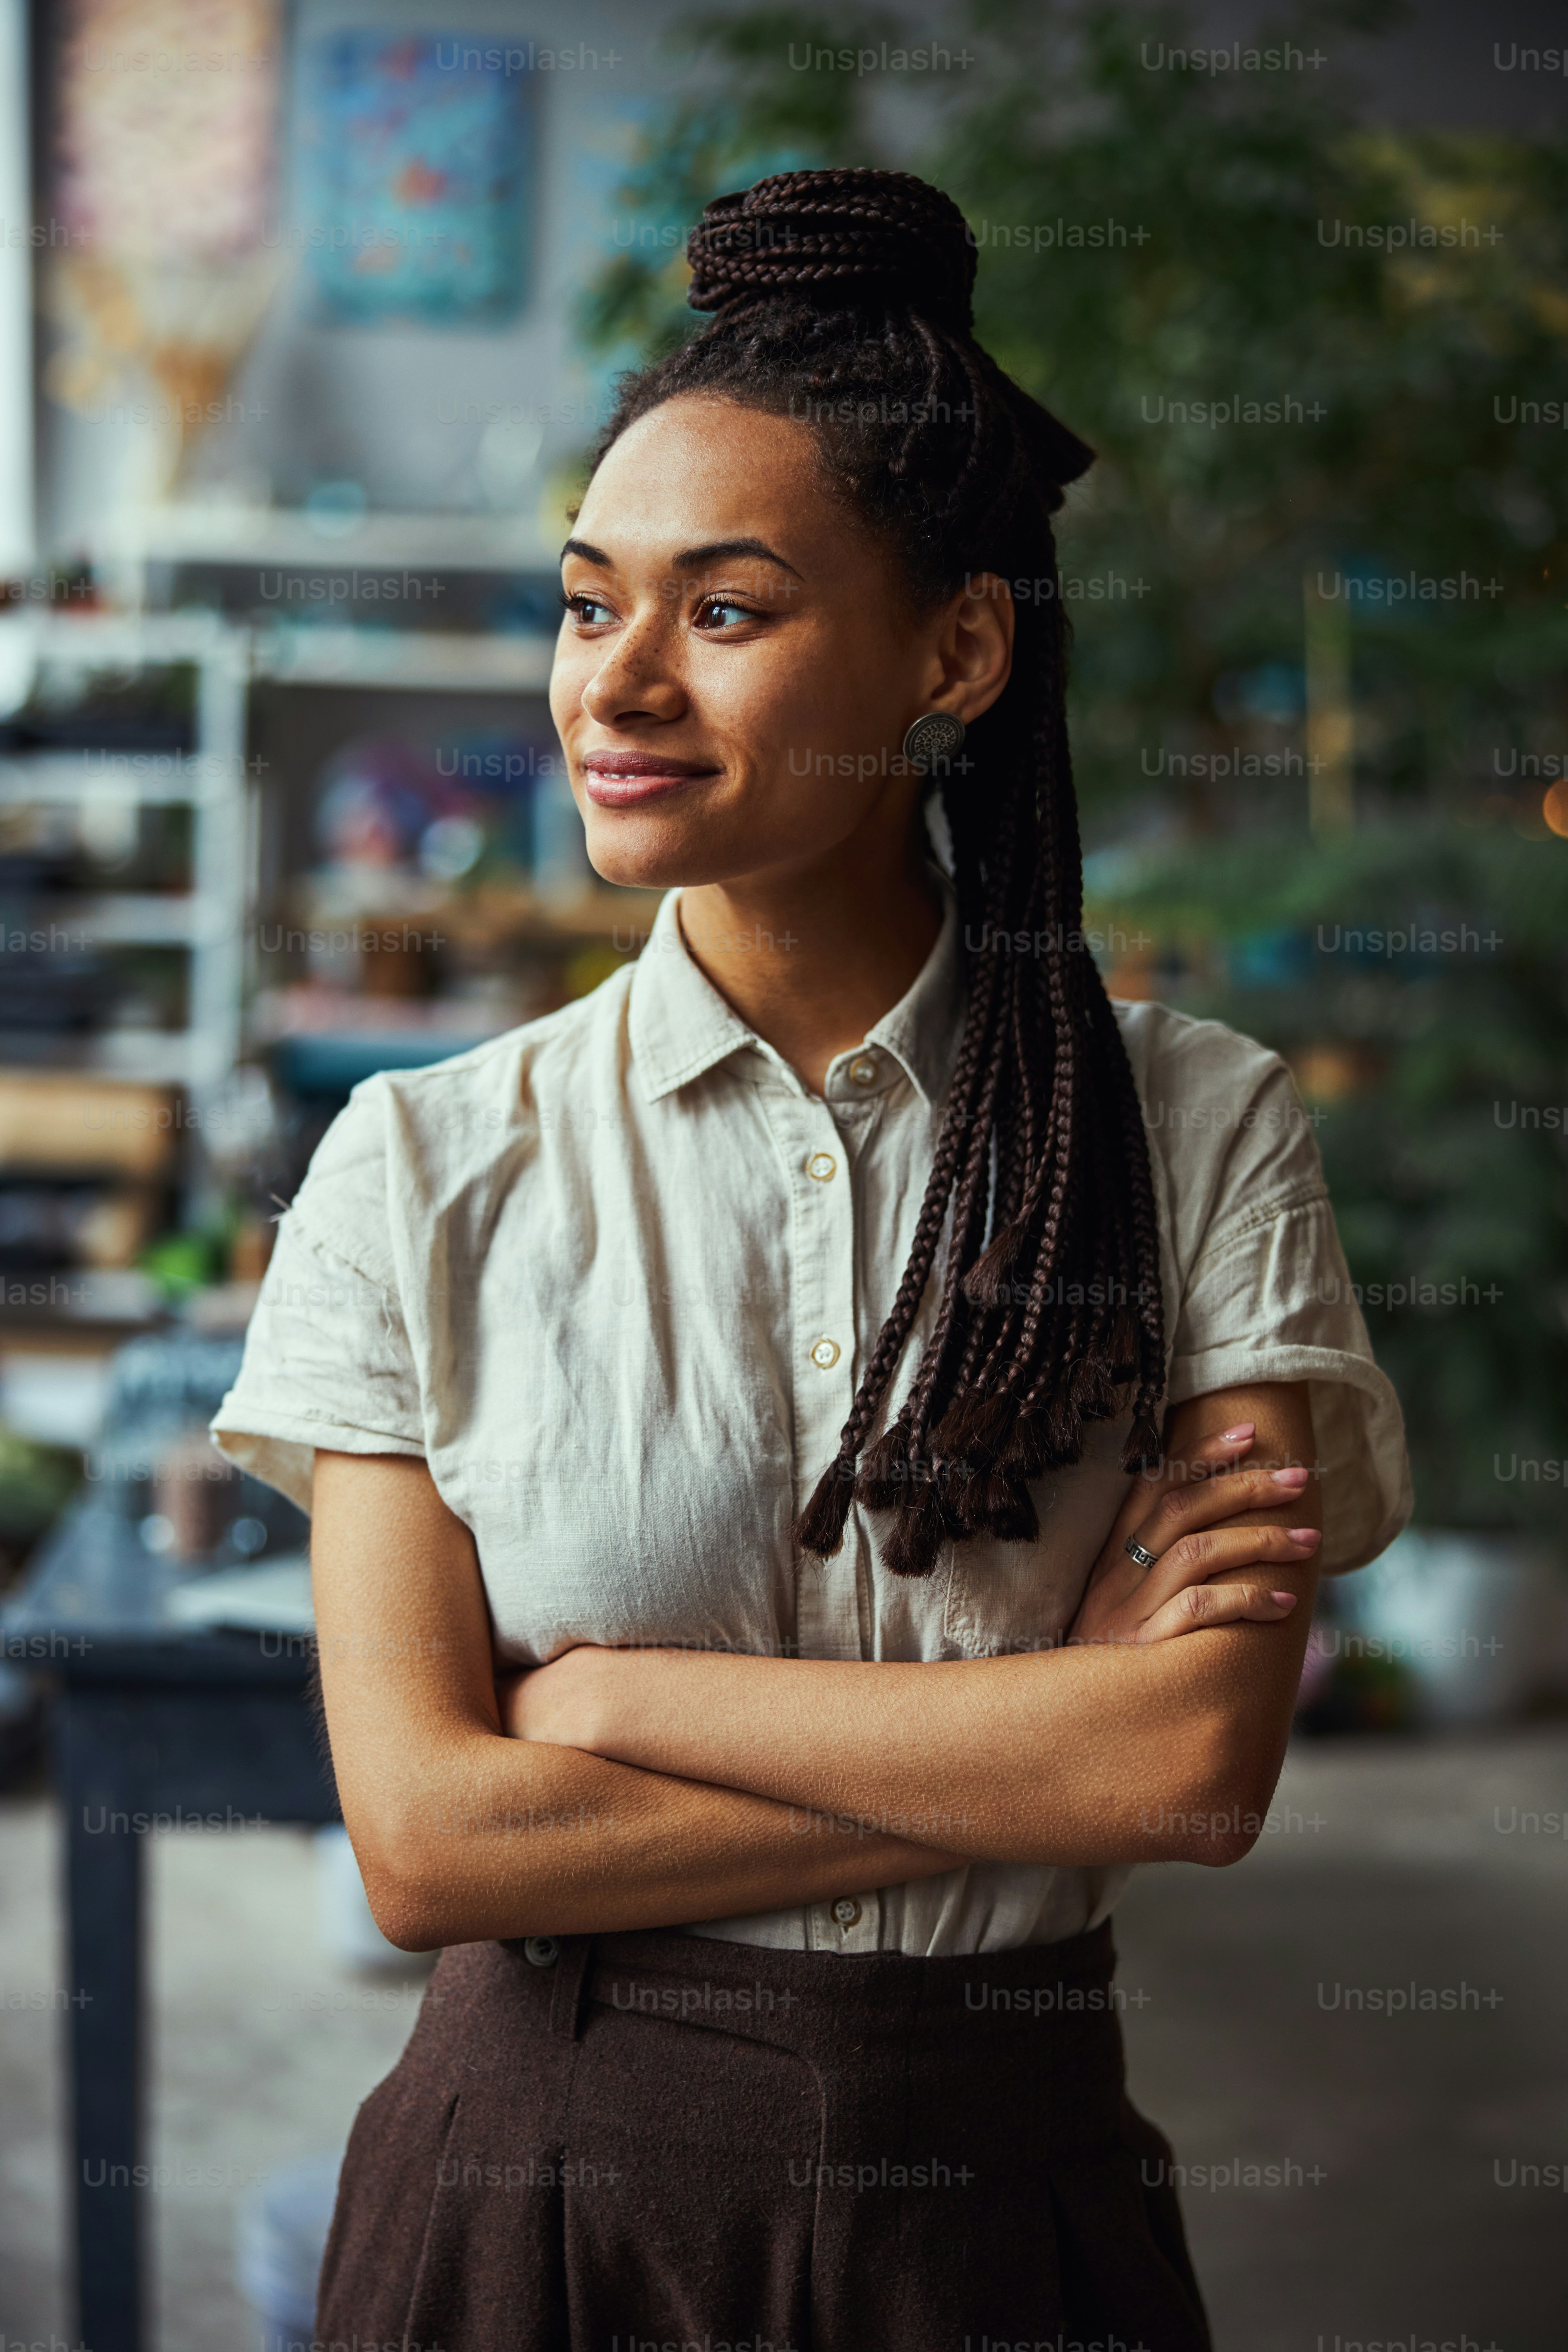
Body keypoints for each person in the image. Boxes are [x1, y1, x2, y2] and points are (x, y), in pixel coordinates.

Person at [213, 168, 1410, 2352]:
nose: (621, 684)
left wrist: (606, 1709)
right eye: (590, 606)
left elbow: (1194, 1768)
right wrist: (1033, 1745)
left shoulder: (1193, 1125)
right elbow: (432, 1848)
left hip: (1012, 2204)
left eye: (727, 612)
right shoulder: (416, 1166)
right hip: (532, 2204)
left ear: (954, 650)